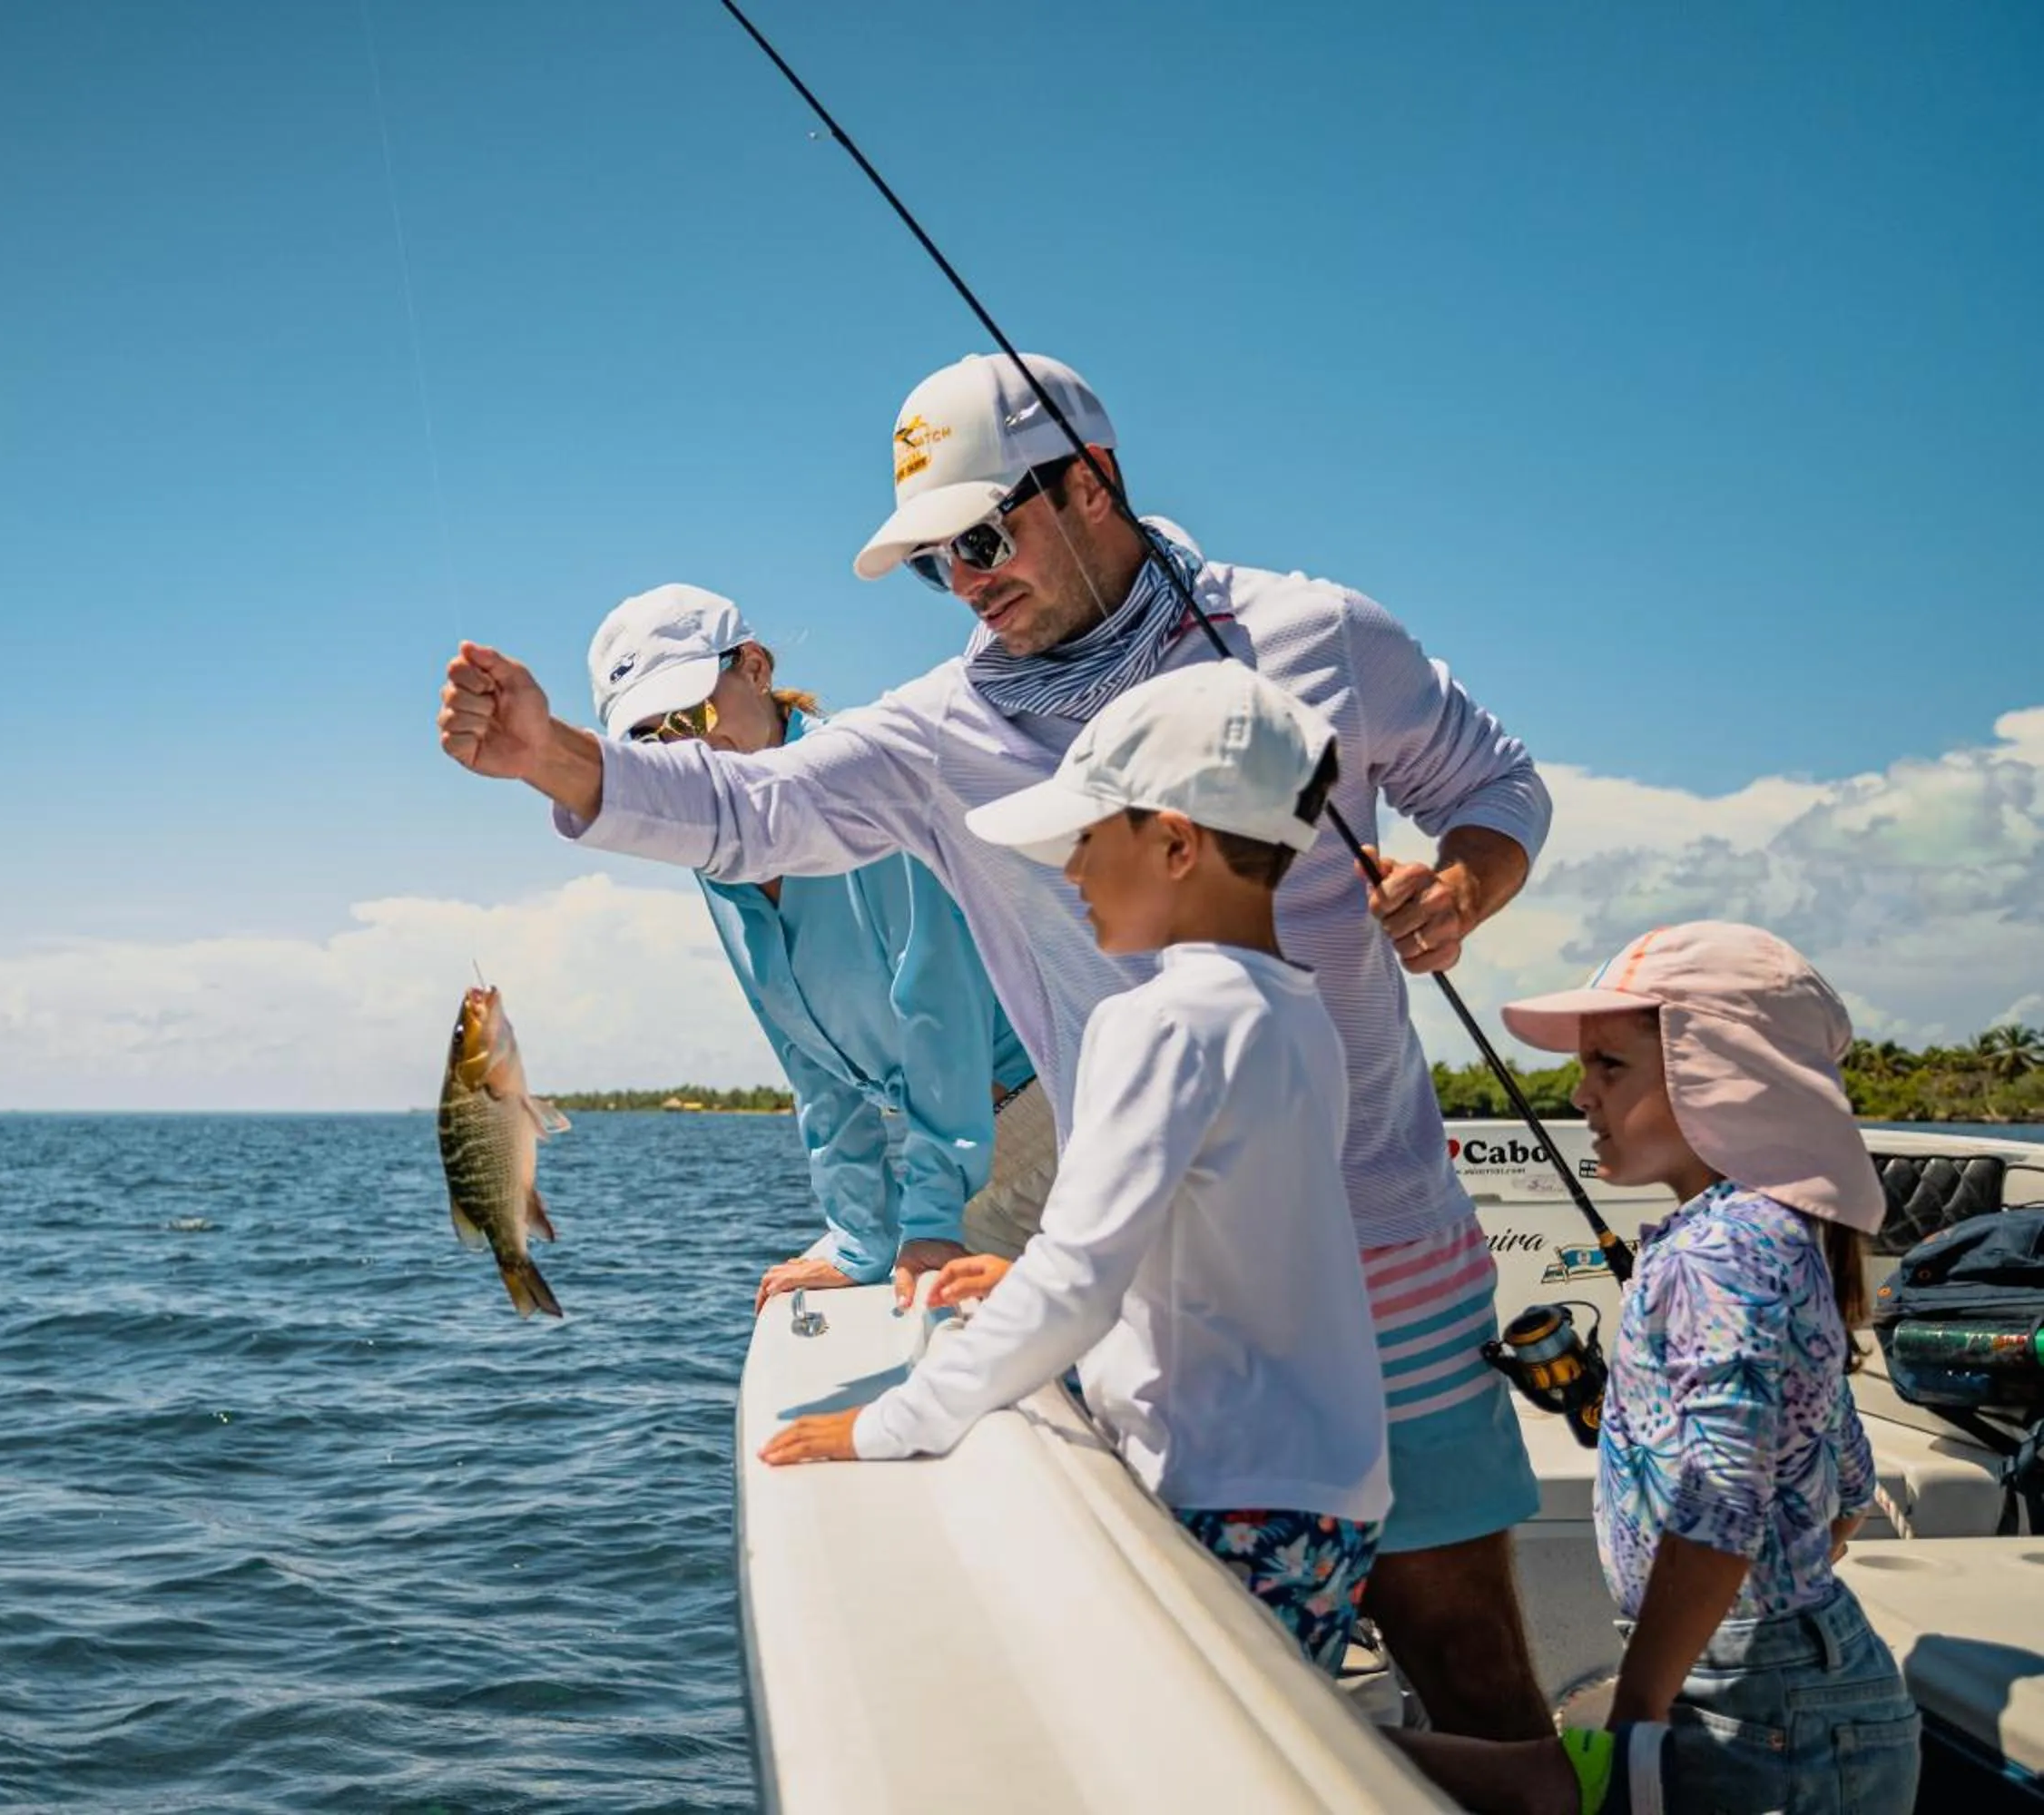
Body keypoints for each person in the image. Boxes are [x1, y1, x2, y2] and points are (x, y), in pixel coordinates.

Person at [438, 349, 1554, 1736]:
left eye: (982, 535)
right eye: (932, 562)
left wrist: (1466, 885)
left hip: (1388, 1243)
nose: (965, 581)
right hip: (1150, 1291)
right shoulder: (942, 732)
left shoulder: (1319, 633)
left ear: (1092, 485)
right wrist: (555, 757)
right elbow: (753, 811)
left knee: (1470, 1662)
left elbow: (1494, 783)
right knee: (1226, 1688)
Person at [760, 663, 1392, 1671]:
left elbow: (1076, 1277)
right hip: (1330, 1497)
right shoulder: (1295, 1013)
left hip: (1229, 1493)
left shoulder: (1158, 1020)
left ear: (1176, 843)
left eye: (1085, 840)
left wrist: (893, 1420)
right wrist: (1029, 1277)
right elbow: (1221, 1244)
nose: (1069, 872)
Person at [1393, 923, 1919, 1815]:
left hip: (1754, 1709)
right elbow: (1844, 1488)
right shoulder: (1779, 1238)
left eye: (1611, 1065)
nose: (1578, 1091)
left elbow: (1721, 1501)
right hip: (1805, 1687)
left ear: (1722, 1079)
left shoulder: (1715, 1255)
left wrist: (1639, 1707)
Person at [584, 583, 1054, 1306]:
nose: (686, 751)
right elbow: (808, 1059)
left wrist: (927, 1220)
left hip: (1042, 1132)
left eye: (693, 713)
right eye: (651, 739)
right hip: (962, 1159)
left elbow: (940, 1018)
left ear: (756, 668)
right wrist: (861, 1236)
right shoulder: (712, 847)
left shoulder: (863, 778)